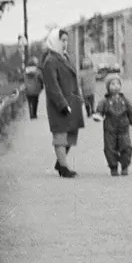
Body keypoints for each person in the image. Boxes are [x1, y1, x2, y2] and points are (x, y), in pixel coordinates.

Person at [42, 29, 85, 178]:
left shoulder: (65, 57)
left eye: (66, 40)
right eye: (62, 40)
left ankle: (60, 162)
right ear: (55, 41)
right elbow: (52, 85)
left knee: (72, 133)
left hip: (72, 101)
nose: (65, 43)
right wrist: (61, 104)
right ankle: (64, 166)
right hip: (59, 104)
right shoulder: (50, 61)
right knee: (60, 135)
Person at [96, 74, 132, 176]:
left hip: (123, 128)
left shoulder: (124, 100)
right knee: (110, 148)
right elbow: (99, 111)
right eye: (112, 84)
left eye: (118, 83)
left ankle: (125, 165)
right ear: (108, 87)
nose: (115, 86)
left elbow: (130, 111)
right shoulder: (104, 101)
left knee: (126, 147)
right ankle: (113, 166)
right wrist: (98, 116)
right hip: (110, 128)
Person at [79, 55, 96, 119]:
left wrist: (80, 87)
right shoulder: (92, 71)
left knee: (86, 101)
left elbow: (80, 82)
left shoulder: (81, 73)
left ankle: (88, 113)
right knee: (92, 101)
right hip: (91, 89)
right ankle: (93, 111)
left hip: (84, 90)